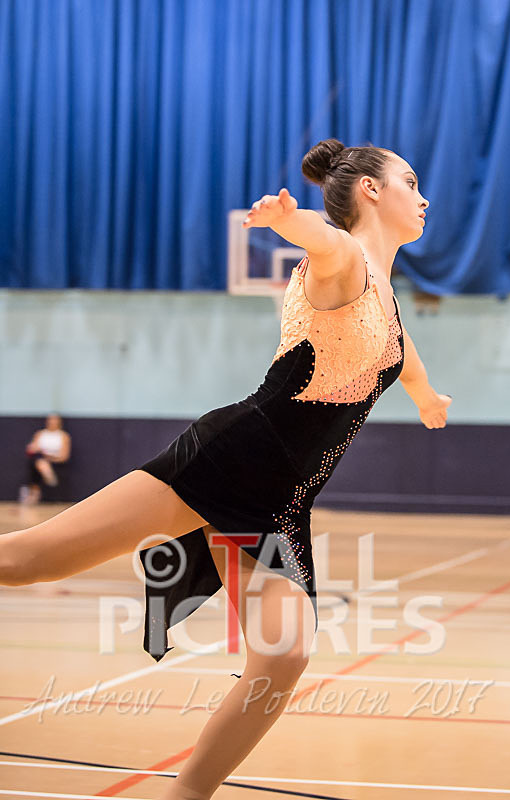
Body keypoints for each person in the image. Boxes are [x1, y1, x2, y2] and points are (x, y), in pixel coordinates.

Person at [0, 140, 451, 800]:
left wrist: (426, 395)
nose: (424, 196)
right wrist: (286, 221)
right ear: (372, 192)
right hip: (232, 458)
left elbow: (404, 358)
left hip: (279, 501)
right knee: (28, 562)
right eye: (410, 182)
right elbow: (323, 243)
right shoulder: (343, 260)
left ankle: (189, 795)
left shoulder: (387, 303)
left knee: (285, 654)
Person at [19, 413, 72, 505]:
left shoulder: (63, 436)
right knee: (38, 461)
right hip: (39, 459)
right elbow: (31, 449)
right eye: (50, 420)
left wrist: (49, 457)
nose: (52, 422)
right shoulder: (40, 434)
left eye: (55, 420)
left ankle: (35, 492)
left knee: (41, 462)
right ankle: (47, 473)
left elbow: (64, 456)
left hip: (55, 460)